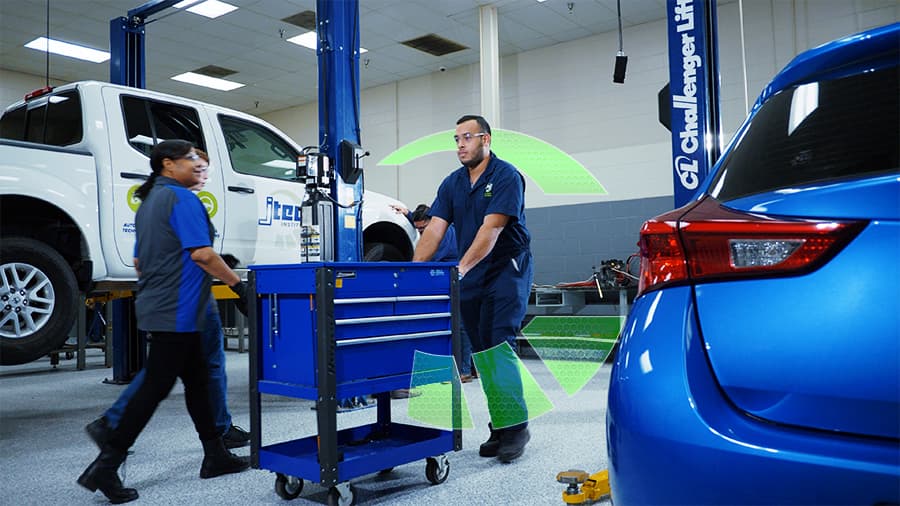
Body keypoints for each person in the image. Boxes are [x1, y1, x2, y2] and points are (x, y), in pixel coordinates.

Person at [77, 140, 251, 504]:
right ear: (168, 165)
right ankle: (106, 466)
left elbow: (141, 261)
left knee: (198, 381)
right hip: (180, 308)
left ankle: (215, 454)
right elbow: (202, 254)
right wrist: (237, 285)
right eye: (190, 159)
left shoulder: (149, 202)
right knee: (154, 387)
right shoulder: (182, 199)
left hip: (161, 303)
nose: (197, 165)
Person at [413, 115, 534, 463]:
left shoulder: (506, 176)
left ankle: (515, 428)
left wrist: (460, 268)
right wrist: (412, 269)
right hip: (471, 274)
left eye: (467, 137)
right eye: (456, 139)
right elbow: (434, 230)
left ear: (486, 139)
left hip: (506, 267)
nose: (461, 144)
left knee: (498, 344)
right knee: (481, 351)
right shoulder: (452, 183)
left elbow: (491, 230)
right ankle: (501, 424)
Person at [391, 203, 476, 383]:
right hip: (446, 280)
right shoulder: (429, 223)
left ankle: (464, 370)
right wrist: (407, 213)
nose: (421, 233)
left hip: (458, 280)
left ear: (432, 221)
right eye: (418, 229)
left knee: (460, 325)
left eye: (423, 229)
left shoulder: (443, 234)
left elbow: (428, 259)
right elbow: (421, 221)